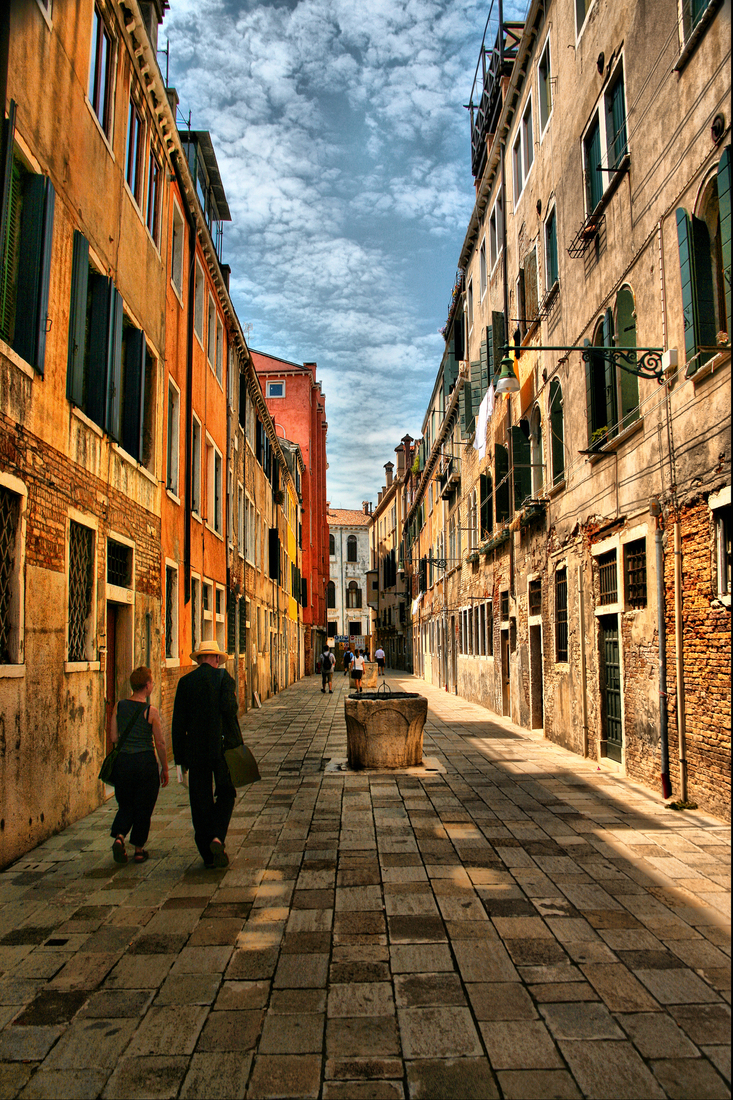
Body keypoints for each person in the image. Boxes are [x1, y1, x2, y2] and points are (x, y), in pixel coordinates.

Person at [172, 639, 239, 868]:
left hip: (195, 751)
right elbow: (230, 711)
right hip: (220, 749)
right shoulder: (224, 680)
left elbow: (178, 724)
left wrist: (179, 759)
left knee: (199, 800)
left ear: (199, 659)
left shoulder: (185, 682)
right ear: (217, 659)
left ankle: (207, 853)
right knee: (227, 793)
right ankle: (218, 837)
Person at [110, 666, 168, 865]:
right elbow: (159, 743)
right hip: (145, 763)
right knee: (143, 806)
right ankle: (139, 850)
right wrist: (165, 767)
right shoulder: (150, 712)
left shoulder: (119, 706)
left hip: (124, 762)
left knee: (125, 803)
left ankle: (119, 837)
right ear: (147, 686)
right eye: (151, 682)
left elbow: (113, 737)